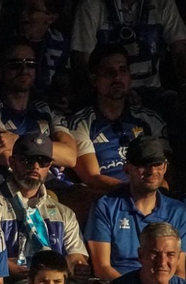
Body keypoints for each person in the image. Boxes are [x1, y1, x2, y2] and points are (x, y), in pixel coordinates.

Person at [83, 136, 186, 281]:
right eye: (143, 165)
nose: (151, 171)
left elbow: (179, 270)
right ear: (127, 169)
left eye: (157, 164)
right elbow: (102, 268)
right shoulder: (105, 206)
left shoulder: (178, 210)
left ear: (165, 168)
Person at [67, 46, 167, 193]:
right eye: (109, 72)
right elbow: (92, 177)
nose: (117, 78)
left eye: (123, 70)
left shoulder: (150, 119)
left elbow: (164, 171)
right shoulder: (80, 123)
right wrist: (136, 192)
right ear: (94, 80)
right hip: (106, 200)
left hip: (150, 196)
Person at [0, 133, 88, 282]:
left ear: (49, 166)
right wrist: (6, 267)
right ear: (12, 162)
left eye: (43, 161)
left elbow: (74, 255)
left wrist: (77, 266)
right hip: (8, 281)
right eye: (27, 160)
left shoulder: (64, 213)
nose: (35, 166)